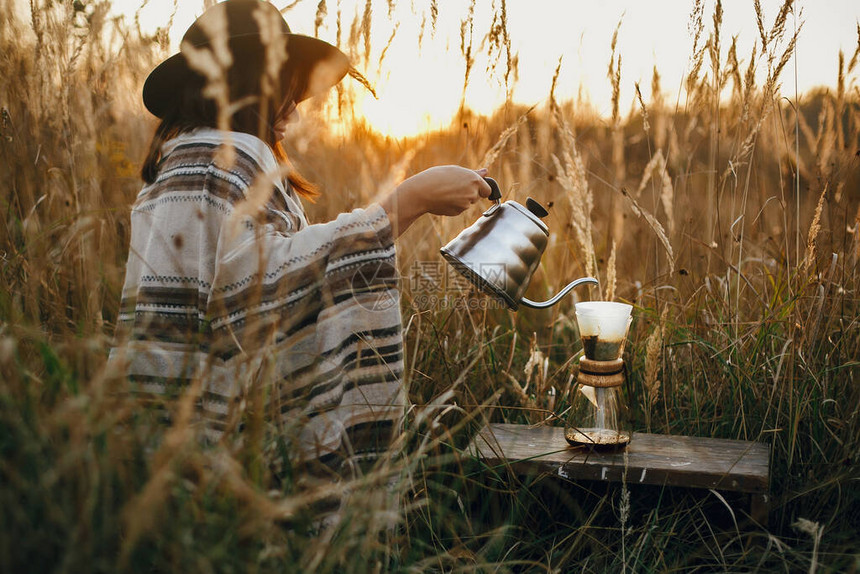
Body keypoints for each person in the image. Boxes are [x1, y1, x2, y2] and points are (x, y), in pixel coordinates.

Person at [110, 0, 490, 474]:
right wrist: (409, 200)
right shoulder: (220, 159)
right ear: (252, 84)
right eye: (286, 89)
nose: (295, 107)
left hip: (153, 447)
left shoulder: (179, 162)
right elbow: (256, 294)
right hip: (212, 459)